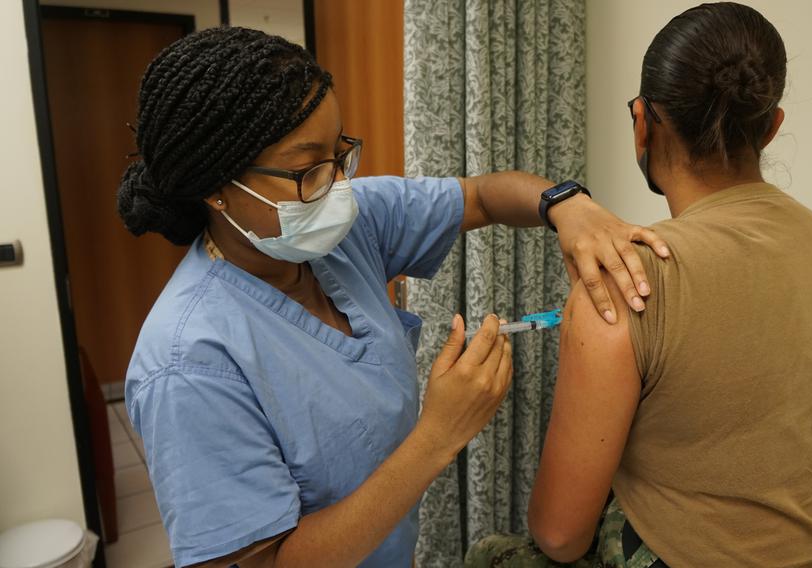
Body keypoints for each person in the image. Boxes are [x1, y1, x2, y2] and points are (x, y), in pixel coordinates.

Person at [117, 27, 668, 567]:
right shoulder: (188, 364)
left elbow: (480, 197)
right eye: (308, 170)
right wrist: (438, 435)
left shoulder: (346, 230)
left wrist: (567, 205)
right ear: (217, 187)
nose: (337, 187)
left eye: (341, 154)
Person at [467, 3, 812, 567]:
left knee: (491, 554)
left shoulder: (623, 278)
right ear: (772, 124)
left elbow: (561, 535)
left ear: (642, 121)